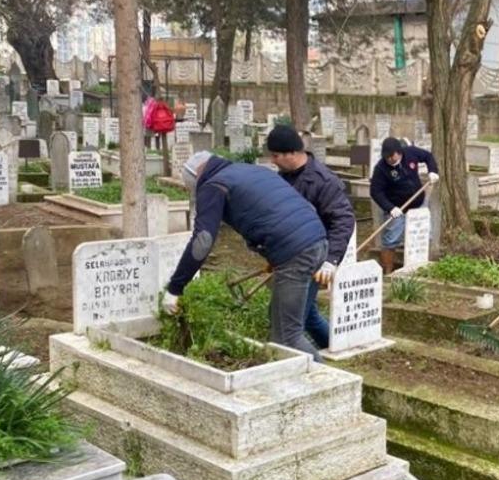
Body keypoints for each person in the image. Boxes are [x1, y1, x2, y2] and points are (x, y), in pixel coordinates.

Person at [162, 151, 328, 360]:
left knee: (287, 337)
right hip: (318, 241)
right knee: (281, 322)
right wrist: (274, 257)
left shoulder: (213, 185)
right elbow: (274, 210)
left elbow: (203, 240)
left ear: (197, 177)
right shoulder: (249, 170)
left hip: (297, 252)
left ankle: (330, 383)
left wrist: (175, 288)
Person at [268, 126, 356, 350]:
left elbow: (343, 221)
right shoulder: (284, 177)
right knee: (307, 314)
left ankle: (314, 365)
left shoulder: (323, 181)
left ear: (291, 153)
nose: (273, 160)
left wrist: (331, 260)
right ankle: (335, 346)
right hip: (290, 256)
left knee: (292, 322)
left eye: (276, 155)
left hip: (314, 259)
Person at [369, 137, 439, 274]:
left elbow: (428, 156)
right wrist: (390, 208)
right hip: (397, 208)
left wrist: (433, 171)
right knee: (390, 240)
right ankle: (387, 272)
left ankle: (423, 267)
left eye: (392, 157)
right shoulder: (381, 168)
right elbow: (375, 192)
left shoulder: (410, 153)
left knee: (424, 234)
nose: (389, 159)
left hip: (418, 203)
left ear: (399, 152)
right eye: (386, 157)